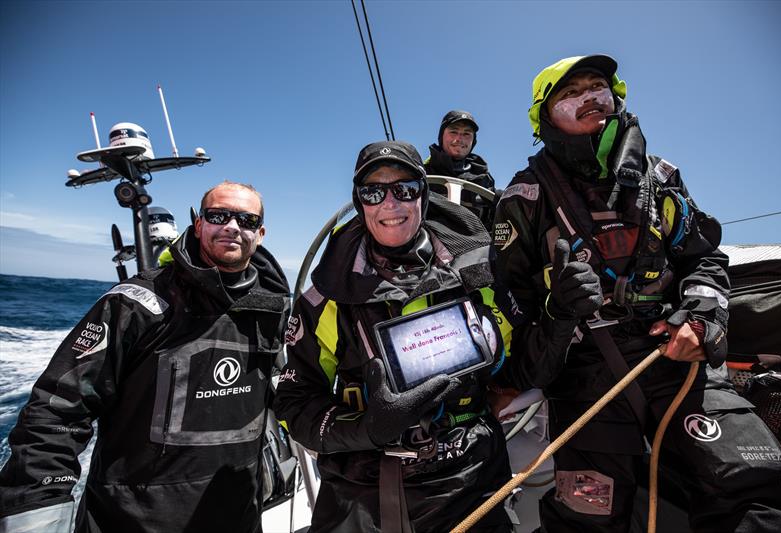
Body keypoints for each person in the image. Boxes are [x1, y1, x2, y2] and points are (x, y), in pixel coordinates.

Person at [491, 55, 781, 532]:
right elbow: (509, 314)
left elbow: (705, 258)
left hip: (674, 360)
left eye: (599, 86)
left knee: (761, 494)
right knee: (587, 519)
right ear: (544, 117)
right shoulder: (523, 199)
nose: (591, 96)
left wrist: (700, 316)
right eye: (571, 93)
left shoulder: (660, 179)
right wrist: (558, 313)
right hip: (584, 375)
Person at [0, 181, 291, 533]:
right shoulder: (135, 304)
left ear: (259, 233)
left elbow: (285, 392)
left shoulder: (273, 311)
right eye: (219, 215)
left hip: (237, 516)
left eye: (245, 220)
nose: (232, 227)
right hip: (132, 521)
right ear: (199, 225)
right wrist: (37, 508)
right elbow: (57, 408)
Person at [274, 140, 513, 532]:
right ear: (359, 201)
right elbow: (292, 402)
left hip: (469, 475)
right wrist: (365, 428)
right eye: (373, 191)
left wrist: (559, 316)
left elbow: (518, 363)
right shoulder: (326, 298)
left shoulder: (476, 274)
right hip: (361, 488)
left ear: (424, 194)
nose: (391, 203)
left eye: (405, 189)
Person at [425, 110, 496, 228]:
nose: (460, 139)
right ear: (441, 136)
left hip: (476, 244)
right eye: (453, 131)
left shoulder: (484, 179)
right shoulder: (422, 172)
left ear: (473, 140)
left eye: (467, 134)